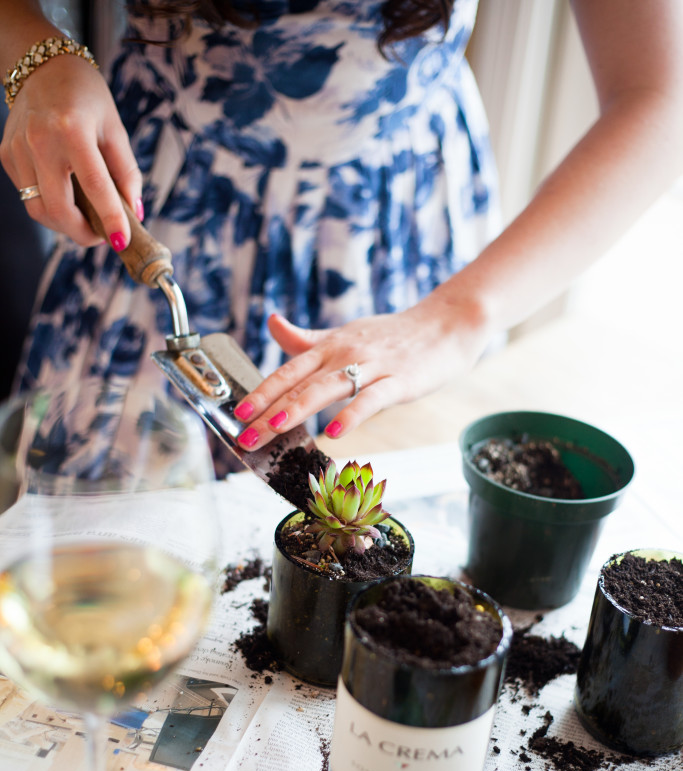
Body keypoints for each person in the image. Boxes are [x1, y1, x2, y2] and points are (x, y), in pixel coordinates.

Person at [2, 1, 682, 471]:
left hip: (402, 240)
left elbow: (659, 92)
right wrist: (37, 55)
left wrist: (456, 318)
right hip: (166, 196)